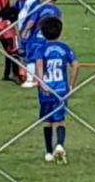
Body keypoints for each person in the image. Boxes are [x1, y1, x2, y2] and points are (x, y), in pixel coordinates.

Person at [33, 16, 79, 164]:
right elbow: (76, 66)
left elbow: (39, 67)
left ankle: (48, 152)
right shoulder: (65, 48)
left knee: (47, 120)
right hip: (61, 89)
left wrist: (42, 82)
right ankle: (59, 145)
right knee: (60, 120)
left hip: (46, 90)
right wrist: (71, 85)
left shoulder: (41, 49)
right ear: (60, 32)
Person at [21, 0, 62, 89]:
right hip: (49, 38)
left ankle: (30, 80)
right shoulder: (57, 11)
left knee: (31, 58)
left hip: (37, 37)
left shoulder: (39, 7)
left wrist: (25, 31)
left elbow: (31, 21)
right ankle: (44, 78)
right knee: (46, 57)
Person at [13, 0, 41, 88]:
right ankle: (25, 75)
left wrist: (25, 31)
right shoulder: (20, 1)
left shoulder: (34, 2)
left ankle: (31, 80)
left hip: (30, 33)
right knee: (22, 54)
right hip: (21, 32)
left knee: (31, 56)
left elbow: (33, 19)